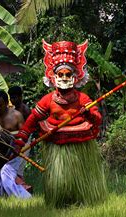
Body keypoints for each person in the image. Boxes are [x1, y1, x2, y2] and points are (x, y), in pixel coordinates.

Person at [14, 40, 108, 208]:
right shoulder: (48, 100)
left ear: (75, 76)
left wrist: (87, 113)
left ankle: (83, 202)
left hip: (81, 147)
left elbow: (97, 119)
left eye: (68, 75)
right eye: (61, 75)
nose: (64, 78)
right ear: (54, 76)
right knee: (59, 182)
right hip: (56, 147)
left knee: (81, 181)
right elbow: (32, 120)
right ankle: (59, 203)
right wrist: (21, 139)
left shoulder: (82, 99)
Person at [0, 91, 32, 198]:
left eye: (1, 105)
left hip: (16, 150)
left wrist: (18, 148)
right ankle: (5, 199)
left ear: (7, 103)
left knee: (6, 174)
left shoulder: (17, 116)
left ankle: (25, 198)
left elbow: (23, 134)